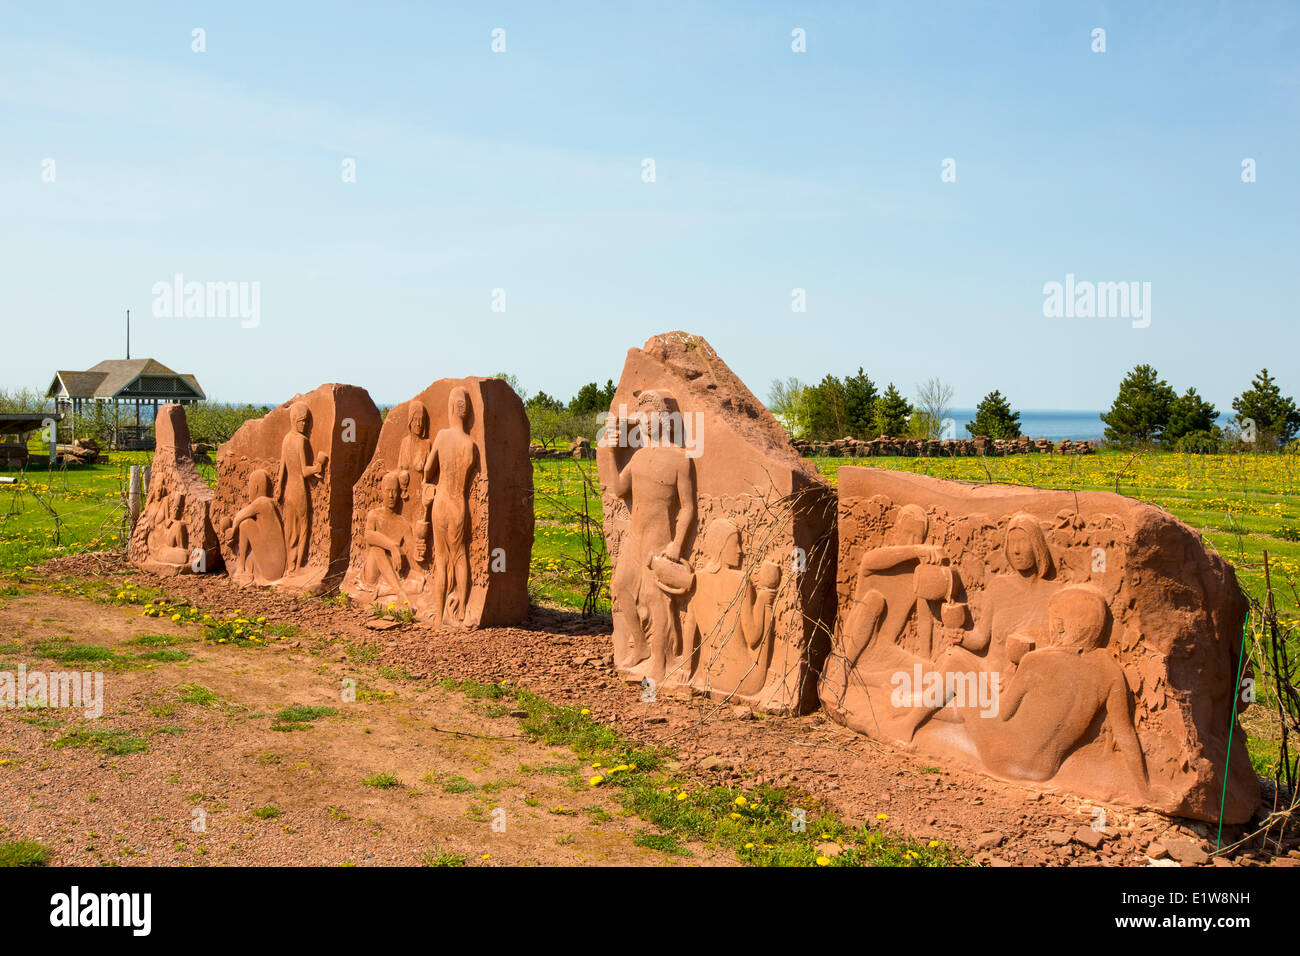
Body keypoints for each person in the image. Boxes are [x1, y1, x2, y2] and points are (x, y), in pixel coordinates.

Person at [597, 389, 697, 684]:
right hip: (634, 538)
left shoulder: (680, 460)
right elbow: (618, 489)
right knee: (621, 587)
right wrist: (609, 451)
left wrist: (676, 546)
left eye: (649, 416)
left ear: (665, 419)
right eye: (640, 417)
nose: (644, 422)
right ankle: (639, 646)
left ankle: (660, 662)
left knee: (657, 601)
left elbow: (689, 507)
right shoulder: (638, 458)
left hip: (658, 539)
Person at [423, 387, 478, 625]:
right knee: (459, 555)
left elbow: (427, 470)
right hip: (458, 503)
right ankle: (462, 610)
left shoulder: (442, 436)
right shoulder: (470, 445)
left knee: (442, 559)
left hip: (440, 502)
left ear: (452, 409)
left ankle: (439, 612)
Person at [276, 402, 328, 576]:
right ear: (294, 420)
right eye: (301, 421)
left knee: (289, 528)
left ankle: (289, 565)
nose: (304, 425)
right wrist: (317, 467)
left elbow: (282, 468)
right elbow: (304, 471)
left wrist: (278, 488)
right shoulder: (301, 441)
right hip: (298, 490)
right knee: (303, 527)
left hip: (288, 490)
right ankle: (297, 566)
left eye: (306, 421)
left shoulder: (286, 439)